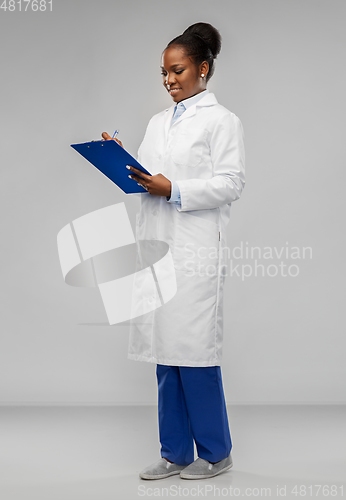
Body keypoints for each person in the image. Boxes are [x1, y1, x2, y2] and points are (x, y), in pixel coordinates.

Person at [102, 22, 245, 480]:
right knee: (166, 356)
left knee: (196, 354)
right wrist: (122, 161)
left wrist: (175, 188)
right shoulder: (157, 123)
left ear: (203, 69)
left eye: (177, 70)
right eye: (163, 73)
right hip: (160, 247)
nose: (169, 80)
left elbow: (230, 183)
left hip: (196, 251)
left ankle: (216, 452)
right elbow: (147, 177)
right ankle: (176, 453)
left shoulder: (222, 121)